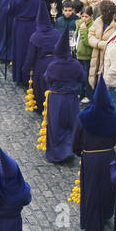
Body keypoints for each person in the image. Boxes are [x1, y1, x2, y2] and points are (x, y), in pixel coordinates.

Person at [73, 77, 116, 231]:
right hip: (109, 157)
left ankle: (91, 224)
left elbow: (76, 139)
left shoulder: (83, 117)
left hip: (90, 158)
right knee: (107, 189)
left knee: (90, 190)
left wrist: (79, 152)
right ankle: (104, 215)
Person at [41, 29, 87, 164]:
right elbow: (82, 78)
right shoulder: (75, 64)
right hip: (71, 98)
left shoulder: (53, 65)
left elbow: (47, 78)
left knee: (56, 126)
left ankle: (58, 153)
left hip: (56, 99)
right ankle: (69, 150)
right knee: (71, 124)